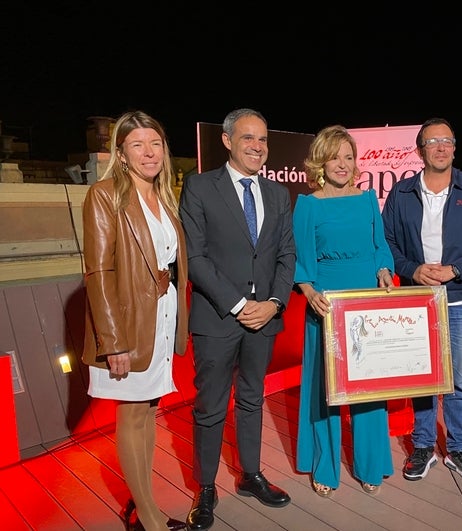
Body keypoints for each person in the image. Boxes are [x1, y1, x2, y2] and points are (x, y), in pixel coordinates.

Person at [179, 108, 296, 530]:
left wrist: (275, 302)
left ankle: (250, 475)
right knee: (210, 407)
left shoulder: (278, 194)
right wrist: (236, 303)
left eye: (263, 140)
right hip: (217, 318)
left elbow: (287, 255)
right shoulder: (198, 186)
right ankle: (205, 488)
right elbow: (194, 255)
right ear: (227, 141)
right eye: (248, 138)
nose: (257, 146)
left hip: (264, 317)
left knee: (251, 399)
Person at [81, 110, 189, 531]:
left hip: (160, 314)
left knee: (148, 412)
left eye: (156, 143)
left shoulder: (163, 196)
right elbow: (100, 272)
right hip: (127, 323)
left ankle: (147, 508)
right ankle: (147, 518)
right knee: (132, 414)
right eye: (138, 145)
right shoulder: (105, 194)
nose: (149, 152)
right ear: (121, 154)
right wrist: (113, 342)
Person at [382, 118, 462, 485]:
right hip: (417, 299)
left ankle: (459, 449)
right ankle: (423, 445)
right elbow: (387, 245)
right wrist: (413, 269)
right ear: (420, 150)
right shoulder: (401, 194)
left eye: (446, 141)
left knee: (458, 381)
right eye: (431, 142)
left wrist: (454, 269)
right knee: (422, 378)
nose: (439, 147)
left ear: (454, 147)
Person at [293, 125, 396, 498]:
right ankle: (325, 466)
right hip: (325, 306)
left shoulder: (368, 200)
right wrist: (307, 291)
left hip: (366, 303)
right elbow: (300, 260)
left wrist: (384, 270)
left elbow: (380, 247)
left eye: (348, 157)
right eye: (335, 156)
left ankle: (370, 464)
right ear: (321, 160)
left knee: (368, 386)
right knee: (326, 391)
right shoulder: (308, 205)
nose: (342, 163)